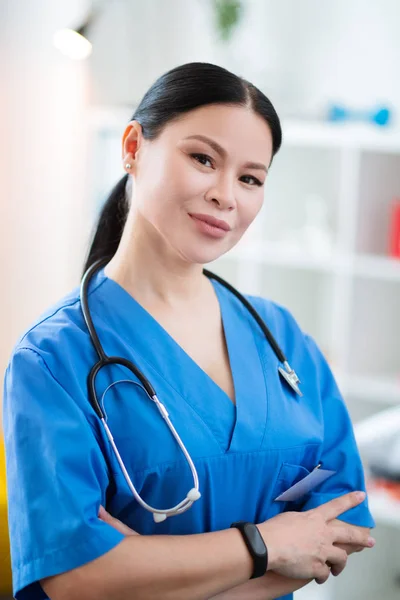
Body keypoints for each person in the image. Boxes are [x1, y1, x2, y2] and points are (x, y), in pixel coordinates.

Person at [3, 62, 375, 600]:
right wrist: (267, 544)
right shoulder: (53, 359)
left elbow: (340, 526)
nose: (227, 195)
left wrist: (148, 569)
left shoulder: (282, 338)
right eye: (203, 159)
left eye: (250, 178)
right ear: (133, 146)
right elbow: (74, 577)